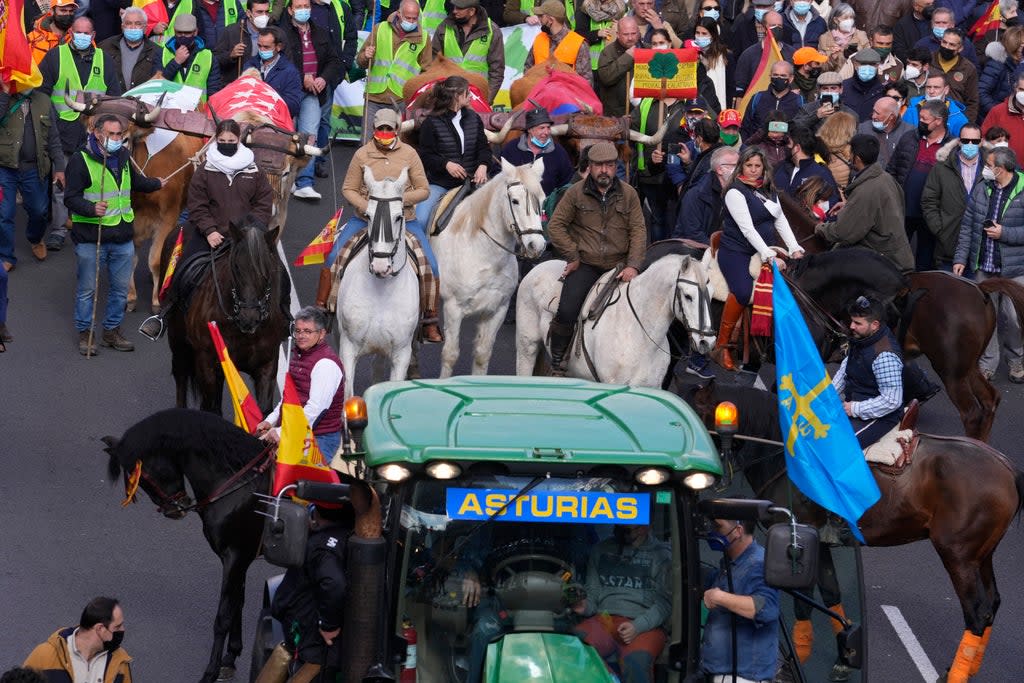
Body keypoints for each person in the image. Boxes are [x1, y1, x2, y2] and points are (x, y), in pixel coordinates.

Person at [139, 119, 273, 341]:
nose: (226, 144)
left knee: (274, 269)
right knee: (182, 266)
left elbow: (264, 201)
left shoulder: (254, 169)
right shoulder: (205, 169)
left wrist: (252, 230)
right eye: (222, 141)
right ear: (216, 140)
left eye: (231, 140)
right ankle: (164, 315)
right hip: (209, 233)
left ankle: (285, 317)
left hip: (245, 235)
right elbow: (197, 203)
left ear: (238, 141)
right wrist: (210, 230)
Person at [329, 109, 440, 341]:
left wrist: (398, 202)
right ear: (374, 130)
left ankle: (429, 320)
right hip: (364, 219)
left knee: (430, 265)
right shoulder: (361, 154)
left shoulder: (410, 154)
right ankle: (323, 308)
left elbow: (424, 189)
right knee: (334, 257)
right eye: (382, 129)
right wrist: (367, 207)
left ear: (397, 130)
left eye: (390, 129)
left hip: (404, 220)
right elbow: (348, 188)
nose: (386, 133)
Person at [65, 114, 164, 356]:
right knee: (88, 290)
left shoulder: (123, 156)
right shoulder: (80, 160)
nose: (117, 139)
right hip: (91, 237)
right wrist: (91, 208)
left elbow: (135, 182)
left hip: (121, 236)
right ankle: (86, 334)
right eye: (112, 134)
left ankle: (111, 331)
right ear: (98, 133)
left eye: (120, 135)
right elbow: (70, 197)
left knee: (120, 290)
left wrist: (156, 183)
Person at [546, 141, 646, 376]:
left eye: (610, 165)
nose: (605, 170)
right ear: (589, 166)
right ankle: (558, 360)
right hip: (587, 264)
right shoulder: (575, 192)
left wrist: (633, 265)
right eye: (599, 165)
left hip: (619, 265)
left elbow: (639, 230)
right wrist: (572, 255)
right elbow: (556, 225)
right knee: (568, 309)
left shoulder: (629, 194)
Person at [37, 15, 123, 254]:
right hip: (62, 131)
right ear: (70, 34)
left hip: (93, 136)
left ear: (93, 36)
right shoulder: (55, 56)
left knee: (91, 184)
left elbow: (114, 96)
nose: (82, 37)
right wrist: (50, 123)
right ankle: (58, 231)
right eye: (78, 32)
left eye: (87, 33)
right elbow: (42, 94)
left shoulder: (104, 60)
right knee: (61, 183)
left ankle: (87, 228)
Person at [713, 146, 804, 371]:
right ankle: (722, 345)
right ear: (742, 167)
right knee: (743, 291)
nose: (753, 170)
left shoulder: (769, 189)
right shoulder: (735, 192)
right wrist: (768, 254)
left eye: (757, 166)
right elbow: (747, 229)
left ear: (764, 168)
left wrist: (794, 247)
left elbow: (780, 220)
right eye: (749, 166)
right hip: (736, 251)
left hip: (762, 248)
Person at [954, 145, 1024, 383]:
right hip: (985, 267)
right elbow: (967, 226)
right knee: (987, 318)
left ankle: (1016, 361)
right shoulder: (982, 189)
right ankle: (987, 364)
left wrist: (1004, 233)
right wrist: (961, 258)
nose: (985, 169)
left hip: (1015, 270)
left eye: (989, 165)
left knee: (1013, 318)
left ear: (1001, 169)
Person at [261, 503, 352, 682]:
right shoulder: (344, 538)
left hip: (312, 646)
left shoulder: (324, 548)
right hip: (309, 642)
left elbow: (334, 584)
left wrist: (328, 626)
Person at [570, 524, 671, 683]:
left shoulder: (662, 556)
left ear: (645, 528)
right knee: (573, 645)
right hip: (605, 619)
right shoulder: (602, 549)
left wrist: (637, 626)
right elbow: (593, 593)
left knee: (637, 663)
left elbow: (664, 604)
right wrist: (585, 606)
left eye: (629, 531)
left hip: (645, 623)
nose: (622, 536)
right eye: (619, 528)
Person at [816, 134, 914, 272]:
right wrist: (850, 205)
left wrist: (821, 228)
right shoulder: (886, 178)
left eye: (850, 153)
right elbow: (880, 207)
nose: (848, 157)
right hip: (895, 253)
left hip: (884, 261)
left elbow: (844, 232)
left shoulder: (866, 190)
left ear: (858, 159)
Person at [699, 517, 780, 683]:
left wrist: (719, 597)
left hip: (743, 677)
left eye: (718, 527)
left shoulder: (759, 563)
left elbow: (766, 608)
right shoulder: (730, 564)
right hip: (719, 673)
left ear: (737, 531)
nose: (712, 531)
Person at [256, 307, 346, 455]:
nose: (301, 335)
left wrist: (282, 431)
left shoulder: (325, 364)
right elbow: (288, 399)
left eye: (307, 331)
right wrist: (270, 421)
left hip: (318, 438)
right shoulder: (300, 356)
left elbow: (315, 410)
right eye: (297, 331)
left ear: (322, 334)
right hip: (297, 430)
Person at [279, 0, 342, 202]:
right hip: (289, 92)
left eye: (306, 6)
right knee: (287, 135)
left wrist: (323, 78)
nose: (303, 10)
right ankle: (285, 179)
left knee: (310, 136)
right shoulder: (281, 33)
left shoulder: (320, 32)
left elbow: (333, 60)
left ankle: (305, 183)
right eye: (298, 7)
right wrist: (301, 77)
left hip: (313, 92)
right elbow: (279, 62)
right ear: (290, 10)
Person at [413, 76, 491, 238]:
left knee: (500, 215)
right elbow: (425, 156)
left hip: (473, 182)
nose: (470, 96)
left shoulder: (474, 119)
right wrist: (446, 164)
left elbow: (484, 148)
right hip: (441, 184)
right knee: (420, 220)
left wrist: (483, 165)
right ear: (456, 96)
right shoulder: (431, 123)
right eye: (467, 93)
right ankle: (423, 260)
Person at [0, 78, 64, 271]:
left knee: (39, 211)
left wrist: (60, 168)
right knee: (4, 214)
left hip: (34, 168)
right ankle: (6, 255)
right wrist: (3, 94)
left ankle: (35, 238)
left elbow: (53, 138)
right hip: (4, 168)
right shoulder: (4, 98)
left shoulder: (44, 101)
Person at [831, 295, 904, 447]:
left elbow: (892, 400)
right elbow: (847, 367)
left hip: (882, 416)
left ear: (875, 325)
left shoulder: (885, 356)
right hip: (854, 402)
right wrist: (827, 395)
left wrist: (854, 409)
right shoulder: (863, 339)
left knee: (839, 446)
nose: (851, 326)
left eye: (857, 323)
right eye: (852, 321)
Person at [356, 0, 432, 143]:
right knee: (367, 143)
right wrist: (366, 56)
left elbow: (426, 74)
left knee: (396, 145)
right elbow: (360, 62)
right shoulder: (379, 28)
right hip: (374, 97)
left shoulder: (424, 38)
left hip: (401, 100)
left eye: (414, 18)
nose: (411, 21)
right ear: (398, 14)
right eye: (407, 17)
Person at [889, 98, 952, 270]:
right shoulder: (909, 138)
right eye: (920, 118)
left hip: (930, 215)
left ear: (938, 121)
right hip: (903, 209)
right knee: (895, 257)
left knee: (925, 260)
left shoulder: (951, 147)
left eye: (925, 119)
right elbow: (893, 169)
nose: (920, 122)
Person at [23, 596, 132, 683]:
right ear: (100, 629)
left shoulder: (120, 662)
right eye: (117, 627)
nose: (123, 630)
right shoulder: (44, 655)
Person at [922, 124, 984, 271]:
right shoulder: (941, 168)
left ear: (981, 142)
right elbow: (929, 201)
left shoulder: (991, 168)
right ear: (959, 142)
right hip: (948, 247)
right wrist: (940, 229)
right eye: (965, 140)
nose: (970, 144)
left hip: (981, 250)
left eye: (974, 141)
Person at [432, 0, 505, 104]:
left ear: (471, 11)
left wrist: (486, 100)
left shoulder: (492, 31)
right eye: (454, 7)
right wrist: (438, 97)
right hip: (447, 99)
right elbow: (433, 64)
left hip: (477, 98)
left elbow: (497, 71)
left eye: (459, 8)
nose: (454, 11)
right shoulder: (444, 27)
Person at [500, 106, 575, 195]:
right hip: (516, 205)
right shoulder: (511, 148)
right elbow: (497, 174)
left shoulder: (558, 152)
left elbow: (567, 182)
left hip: (548, 206)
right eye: (542, 128)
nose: (546, 132)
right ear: (530, 130)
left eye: (548, 127)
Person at [524, 0, 592, 85]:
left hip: (565, 97)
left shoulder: (579, 44)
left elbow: (585, 83)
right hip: (539, 96)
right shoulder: (539, 39)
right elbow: (528, 71)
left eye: (541, 16)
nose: (539, 18)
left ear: (550, 20)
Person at [734, 11, 796, 103]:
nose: (777, 29)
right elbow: (740, 89)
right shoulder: (749, 54)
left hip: (786, 104)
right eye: (773, 25)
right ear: (763, 28)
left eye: (780, 26)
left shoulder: (792, 53)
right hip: (757, 105)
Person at [161, 13, 222, 101]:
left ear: (195, 32)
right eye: (179, 32)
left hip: (198, 112)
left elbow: (213, 91)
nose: (183, 36)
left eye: (187, 33)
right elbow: (158, 84)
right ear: (174, 31)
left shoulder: (208, 56)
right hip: (169, 111)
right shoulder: (163, 53)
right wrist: (175, 62)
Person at [98, 7, 161, 92]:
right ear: (122, 27)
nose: (133, 27)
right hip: (111, 101)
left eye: (138, 24)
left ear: (145, 28)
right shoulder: (105, 47)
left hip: (141, 102)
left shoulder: (157, 51)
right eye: (128, 23)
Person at [739, 60, 802, 142]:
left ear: (791, 78)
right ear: (770, 77)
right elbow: (745, 127)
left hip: (787, 151)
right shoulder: (758, 98)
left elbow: (801, 128)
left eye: (783, 76)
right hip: (758, 149)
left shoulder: (798, 100)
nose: (779, 78)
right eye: (775, 75)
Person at [774, 124, 837, 204]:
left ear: (797, 148)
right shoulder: (781, 167)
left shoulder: (821, 173)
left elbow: (832, 205)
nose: (785, 146)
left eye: (788, 143)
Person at [214, 0, 272, 85]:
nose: (264, 16)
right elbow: (216, 59)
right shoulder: (231, 31)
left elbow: (286, 62)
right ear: (248, 13)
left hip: (265, 88)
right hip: (237, 89)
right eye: (259, 12)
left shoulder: (276, 33)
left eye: (267, 12)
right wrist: (231, 55)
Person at [928, 27, 978, 123]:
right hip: (927, 116)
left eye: (952, 45)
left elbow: (972, 102)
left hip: (954, 119)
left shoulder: (968, 69)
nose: (946, 47)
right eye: (944, 42)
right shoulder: (928, 60)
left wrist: (965, 125)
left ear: (960, 48)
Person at [901, 72, 967, 138]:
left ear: (946, 90)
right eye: (928, 87)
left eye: (936, 87)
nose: (931, 91)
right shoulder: (912, 110)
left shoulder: (958, 118)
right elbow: (902, 137)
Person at [597, 16, 639, 117]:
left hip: (639, 113)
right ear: (618, 34)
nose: (630, 38)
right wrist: (627, 57)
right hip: (616, 115)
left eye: (633, 33)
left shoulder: (646, 49)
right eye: (626, 34)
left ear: (638, 33)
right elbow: (606, 77)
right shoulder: (608, 52)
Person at [979, 26, 1024, 121]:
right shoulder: (996, 64)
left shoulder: (1019, 65)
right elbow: (982, 93)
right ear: (1014, 46)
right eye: (1022, 45)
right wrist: (999, 112)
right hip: (995, 120)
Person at [912, 6, 979, 68]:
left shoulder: (965, 44)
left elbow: (975, 69)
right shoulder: (922, 44)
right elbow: (913, 66)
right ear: (932, 24)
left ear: (952, 24)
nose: (941, 26)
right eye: (937, 22)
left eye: (944, 23)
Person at [791, 70, 857, 133]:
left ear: (841, 89)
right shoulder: (807, 109)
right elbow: (794, 128)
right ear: (819, 90)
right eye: (825, 88)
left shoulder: (850, 114)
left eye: (833, 88)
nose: (829, 92)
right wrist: (816, 116)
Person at [857, 95, 913, 166]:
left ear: (891, 117)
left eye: (877, 113)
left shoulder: (909, 132)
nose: (873, 116)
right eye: (873, 111)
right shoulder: (863, 129)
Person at [982, 72, 1024, 166]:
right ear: (1015, 88)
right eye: (1021, 89)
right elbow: (984, 140)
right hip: (1004, 171)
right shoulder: (998, 111)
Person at [577, 0, 629, 74]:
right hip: (591, 65)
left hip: (616, 62)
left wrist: (621, 27)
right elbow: (578, 34)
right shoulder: (586, 8)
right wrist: (597, 34)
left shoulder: (622, 9)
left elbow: (631, 36)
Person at [817, 3, 868, 74]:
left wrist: (855, 56)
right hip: (833, 81)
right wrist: (833, 58)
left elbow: (868, 63)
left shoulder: (861, 35)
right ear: (835, 20)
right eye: (846, 18)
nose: (850, 20)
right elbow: (822, 68)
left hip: (854, 81)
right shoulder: (824, 38)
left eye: (851, 17)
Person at [838, 47, 884, 121]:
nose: (867, 67)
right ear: (855, 65)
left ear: (877, 66)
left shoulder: (882, 90)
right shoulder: (843, 87)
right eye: (863, 64)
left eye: (872, 64)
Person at [28, 0, 78, 66]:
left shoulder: (80, 36)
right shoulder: (33, 39)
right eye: (63, 10)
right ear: (51, 11)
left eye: (71, 11)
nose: (67, 14)